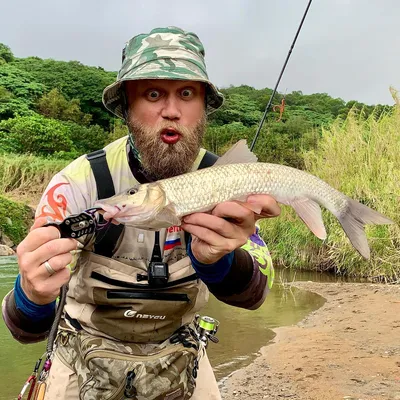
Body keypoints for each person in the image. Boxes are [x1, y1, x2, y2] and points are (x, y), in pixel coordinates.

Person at [2, 26, 279, 399]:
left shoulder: (228, 180)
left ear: (203, 106)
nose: (171, 111)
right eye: (152, 94)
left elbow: (257, 295)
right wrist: (32, 294)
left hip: (183, 355)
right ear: (126, 108)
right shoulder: (80, 184)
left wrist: (217, 262)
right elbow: (24, 329)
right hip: (81, 360)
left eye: (186, 93)